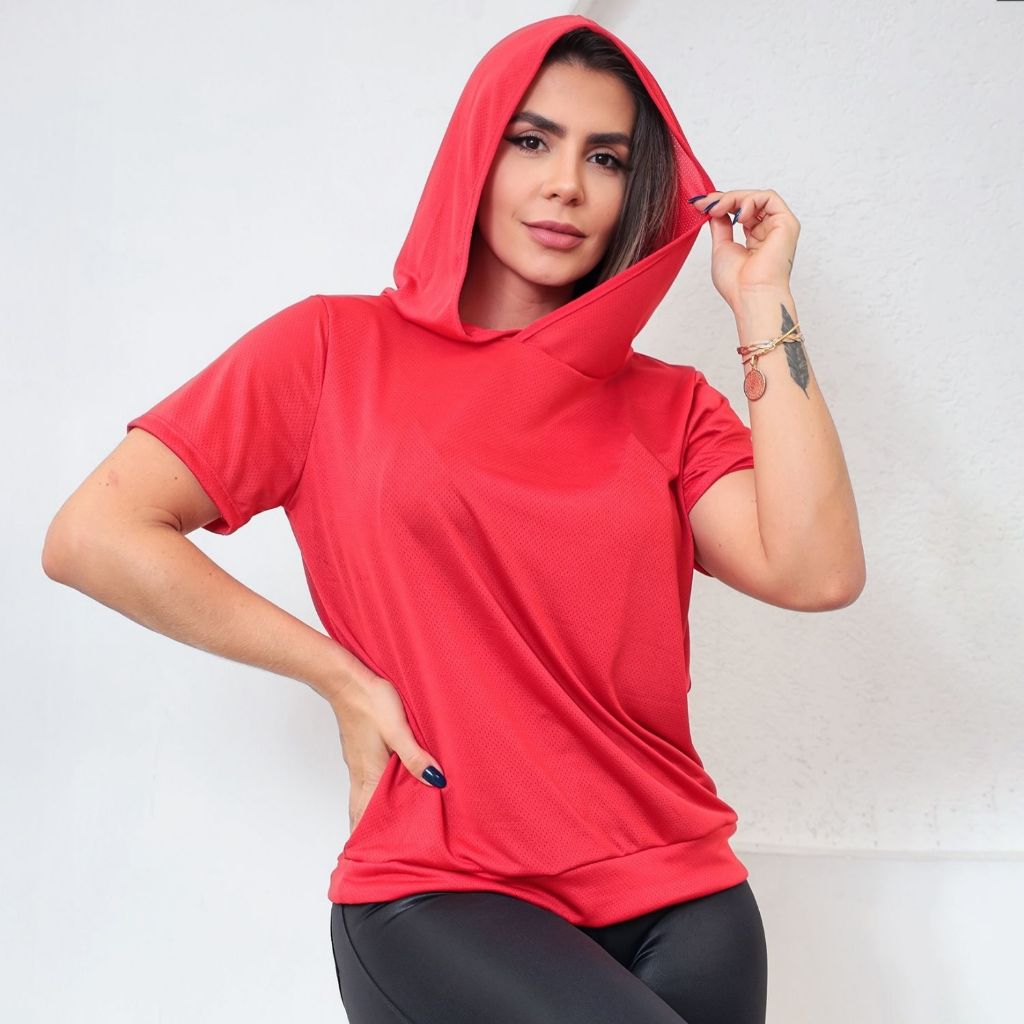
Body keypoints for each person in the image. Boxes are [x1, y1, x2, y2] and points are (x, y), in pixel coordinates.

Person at [42, 13, 865, 1024]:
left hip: (685, 895)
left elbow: (816, 570)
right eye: (532, 140)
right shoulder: (329, 351)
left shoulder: (668, 406)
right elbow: (95, 534)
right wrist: (339, 676)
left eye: (605, 158)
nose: (564, 184)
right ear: (474, 150)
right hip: (442, 889)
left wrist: (762, 300)